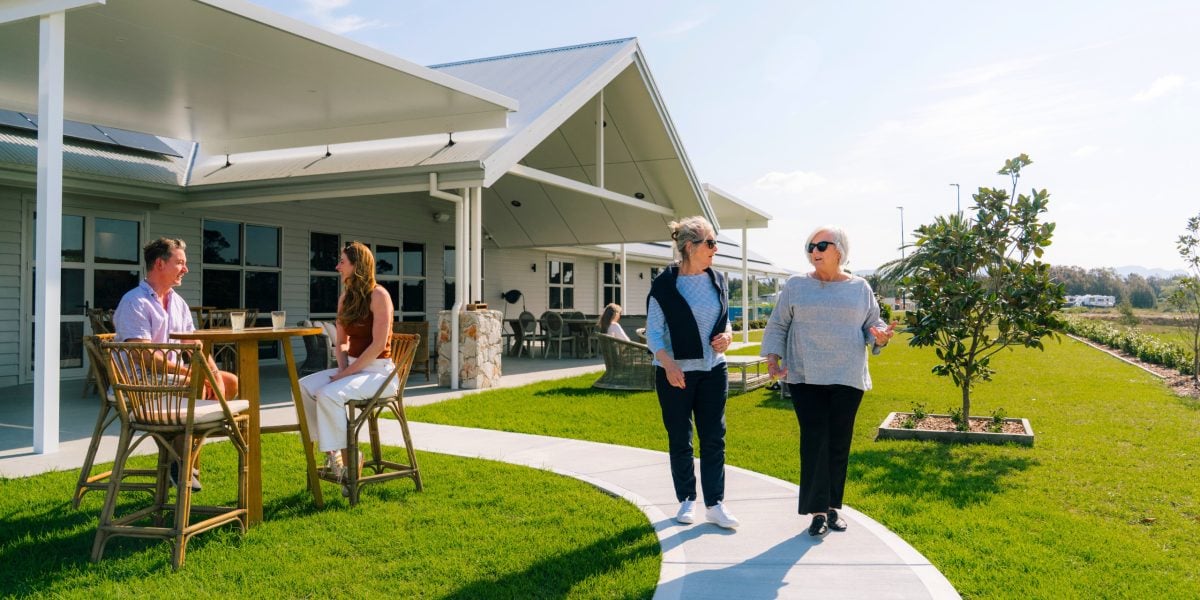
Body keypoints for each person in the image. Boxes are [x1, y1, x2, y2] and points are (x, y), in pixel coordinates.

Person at [761, 226, 896, 537]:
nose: (814, 250)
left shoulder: (860, 287)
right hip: (806, 376)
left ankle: (833, 507)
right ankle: (818, 512)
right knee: (814, 441)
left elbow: (871, 324)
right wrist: (772, 357)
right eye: (810, 245)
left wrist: (880, 336)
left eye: (822, 244)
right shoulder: (796, 285)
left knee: (838, 443)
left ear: (840, 250)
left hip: (847, 377)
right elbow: (778, 323)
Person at [113, 237, 239, 492]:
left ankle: (180, 450)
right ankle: (181, 461)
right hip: (138, 383)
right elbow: (143, 357)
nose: (186, 269)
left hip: (170, 381)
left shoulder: (177, 302)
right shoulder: (134, 302)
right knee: (194, 386)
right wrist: (193, 373)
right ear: (160, 264)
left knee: (229, 382)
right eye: (180, 262)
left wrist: (212, 373)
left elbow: (196, 347)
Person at [646, 216, 739, 529]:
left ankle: (715, 504)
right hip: (675, 373)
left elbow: (725, 321)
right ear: (690, 247)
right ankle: (687, 499)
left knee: (714, 438)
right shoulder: (664, 285)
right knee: (680, 438)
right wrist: (668, 363)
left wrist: (728, 336)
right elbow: (654, 333)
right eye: (710, 243)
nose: (715, 249)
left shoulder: (718, 280)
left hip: (714, 369)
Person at [298, 241, 397, 490]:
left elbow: (378, 345)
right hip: (352, 369)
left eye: (342, 262)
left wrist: (346, 374)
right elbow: (341, 342)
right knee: (303, 387)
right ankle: (333, 452)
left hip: (379, 372)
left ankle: (349, 462)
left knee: (329, 394)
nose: (337, 266)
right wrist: (343, 370)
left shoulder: (379, 296)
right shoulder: (345, 299)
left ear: (358, 265)